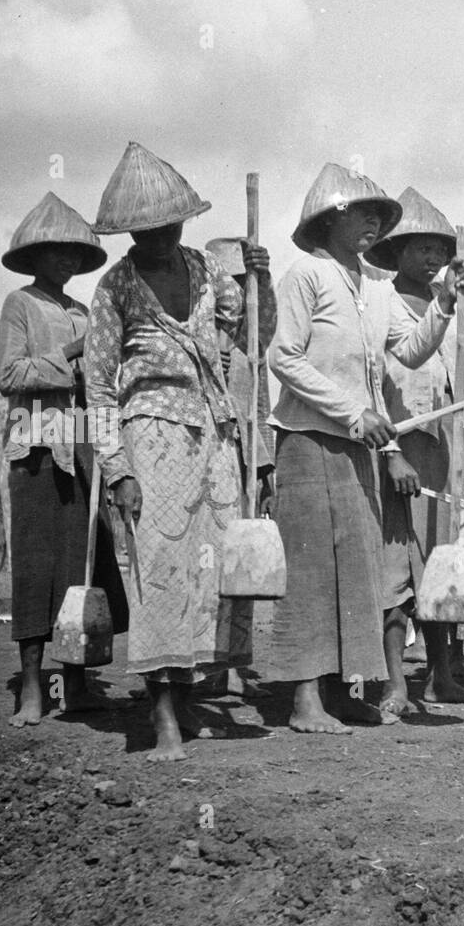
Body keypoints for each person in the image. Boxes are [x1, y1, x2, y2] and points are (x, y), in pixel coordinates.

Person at [268, 162, 464, 735]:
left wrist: (444, 303)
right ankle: (305, 699)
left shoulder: (374, 291)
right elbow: (283, 358)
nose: (368, 224)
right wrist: (350, 409)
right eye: (358, 214)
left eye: (374, 217)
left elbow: (408, 353)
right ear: (327, 220)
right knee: (313, 567)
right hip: (308, 438)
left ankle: (341, 692)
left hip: (358, 448)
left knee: (356, 570)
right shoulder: (305, 276)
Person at [83, 142, 274, 761]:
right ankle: (161, 712)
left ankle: (190, 698)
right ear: (129, 232)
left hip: (214, 431)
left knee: (212, 570)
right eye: (149, 228)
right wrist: (117, 469)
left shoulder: (205, 270)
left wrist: (261, 281)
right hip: (151, 433)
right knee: (158, 568)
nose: (161, 236)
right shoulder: (114, 290)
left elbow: (253, 335)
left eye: (170, 224)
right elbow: (99, 385)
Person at [366, 187, 464, 714]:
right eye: (419, 248)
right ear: (395, 252)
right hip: (396, 440)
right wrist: (390, 449)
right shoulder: (377, 302)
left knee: (439, 559)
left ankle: (441, 677)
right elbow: (389, 373)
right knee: (394, 567)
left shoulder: (455, 300)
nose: (431, 257)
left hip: (444, 444)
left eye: (438, 248)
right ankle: (393, 682)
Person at [0, 192, 127, 726]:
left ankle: (74, 685)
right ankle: (32, 689)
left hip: (82, 451)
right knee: (35, 570)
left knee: (83, 566)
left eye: (75, 253)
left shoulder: (85, 311)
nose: (67, 261)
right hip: (36, 449)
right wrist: (69, 357)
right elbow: (10, 377)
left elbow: (99, 389)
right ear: (36, 256)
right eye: (56, 252)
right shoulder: (20, 304)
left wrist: (106, 450)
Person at [201, 235, 280, 701]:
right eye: (227, 284)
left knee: (242, 566)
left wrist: (266, 467)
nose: (235, 296)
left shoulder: (251, 349)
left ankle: (232, 663)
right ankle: (203, 663)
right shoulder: (195, 335)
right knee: (209, 566)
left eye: (242, 285)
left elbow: (259, 408)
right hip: (206, 465)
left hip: (245, 465)